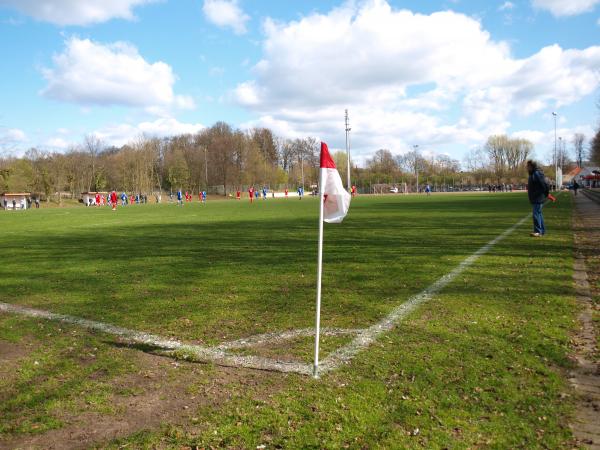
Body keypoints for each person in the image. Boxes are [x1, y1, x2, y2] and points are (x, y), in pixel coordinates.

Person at [526, 160, 550, 237]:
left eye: (528, 166)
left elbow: (544, 185)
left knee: (536, 214)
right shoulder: (533, 174)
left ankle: (538, 231)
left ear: (532, 166)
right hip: (536, 197)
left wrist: (543, 194)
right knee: (538, 214)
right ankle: (542, 231)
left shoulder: (537, 173)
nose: (526, 168)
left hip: (538, 198)